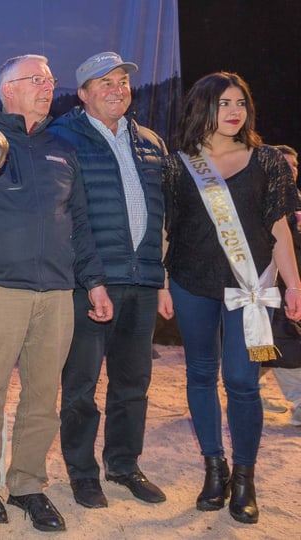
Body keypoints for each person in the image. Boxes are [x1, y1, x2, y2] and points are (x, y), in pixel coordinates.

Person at [0, 54, 112, 532]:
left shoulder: (63, 147)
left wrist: (95, 283)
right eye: (36, 80)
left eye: (50, 81)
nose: (48, 87)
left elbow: (81, 224)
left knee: (43, 395)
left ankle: (26, 485)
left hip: (57, 294)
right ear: (8, 90)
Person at [159, 72, 301, 524]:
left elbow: (279, 229)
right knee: (201, 375)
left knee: (243, 381)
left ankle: (245, 477)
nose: (234, 111)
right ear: (202, 107)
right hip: (190, 282)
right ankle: (214, 468)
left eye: (240, 102)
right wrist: (163, 283)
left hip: (251, 289)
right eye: (223, 103)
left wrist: (294, 285)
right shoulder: (178, 164)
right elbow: (167, 228)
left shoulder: (269, 162)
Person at [47, 52, 168, 509]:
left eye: (122, 80)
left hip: (140, 282)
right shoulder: (62, 139)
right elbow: (65, 220)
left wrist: (162, 278)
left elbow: (162, 218)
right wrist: (90, 279)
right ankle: (82, 473)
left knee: (133, 384)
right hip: (88, 284)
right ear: (82, 94)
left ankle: (124, 464)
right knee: (80, 386)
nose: (117, 88)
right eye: (104, 82)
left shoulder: (151, 142)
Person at [267, 144, 301, 425]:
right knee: (286, 347)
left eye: (295, 166)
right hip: (269, 289)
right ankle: (299, 402)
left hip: (291, 289)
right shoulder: (264, 199)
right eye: (286, 164)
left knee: (266, 348)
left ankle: (245, 392)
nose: (292, 170)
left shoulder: (296, 204)